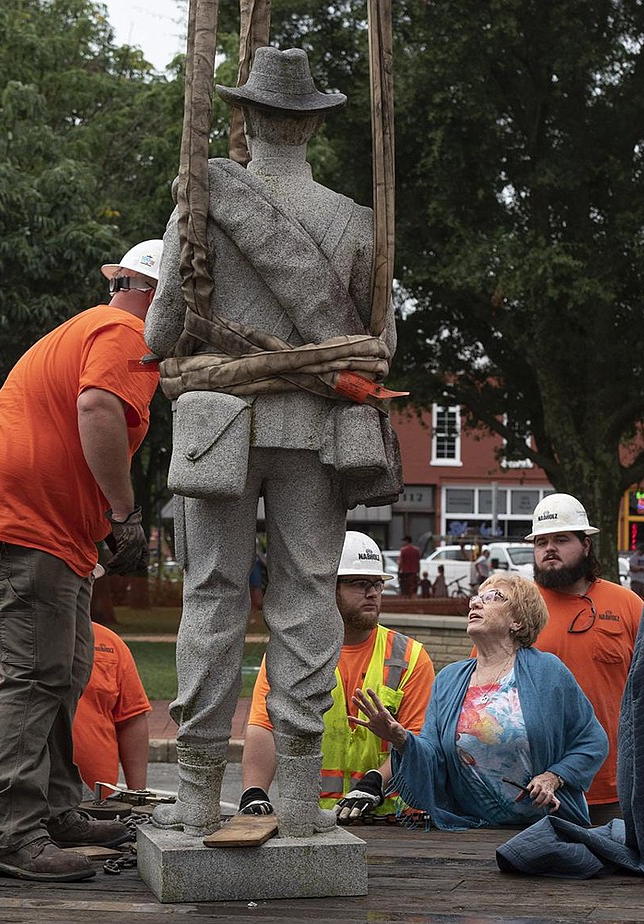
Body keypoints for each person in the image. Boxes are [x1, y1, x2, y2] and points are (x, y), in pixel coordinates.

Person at [145, 47, 399, 838]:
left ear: (247, 119)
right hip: (317, 434)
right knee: (306, 598)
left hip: (217, 427)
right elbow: (379, 348)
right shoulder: (357, 223)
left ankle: (195, 797)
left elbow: (159, 331)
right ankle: (295, 800)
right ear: (313, 126)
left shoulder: (201, 208)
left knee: (211, 597)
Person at [0, 238, 162, 881]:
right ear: (157, 295)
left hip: (45, 525)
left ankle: (54, 810)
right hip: (30, 522)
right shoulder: (126, 331)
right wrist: (123, 510)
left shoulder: (90, 327)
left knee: (66, 668)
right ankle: (11, 836)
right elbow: (97, 406)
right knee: (34, 675)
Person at [352, 573, 607, 830]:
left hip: (545, 828)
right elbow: (434, 757)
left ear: (518, 621)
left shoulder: (547, 671)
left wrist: (554, 777)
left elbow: (592, 740)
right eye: (475, 597)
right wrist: (402, 740)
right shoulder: (449, 679)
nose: (475, 603)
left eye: (493, 597)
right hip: (473, 830)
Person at [239, 531, 434, 823]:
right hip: (313, 817)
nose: (372, 593)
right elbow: (264, 727)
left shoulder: (410, 657)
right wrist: (254, 792)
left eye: (377, 584)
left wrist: (375, 781)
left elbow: (418, 739)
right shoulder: (291, 654)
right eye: (360, 584)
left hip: (391, 821)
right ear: (329, 588)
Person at [527, 493, 642, 826]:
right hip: (535, 791)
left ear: (586, 545)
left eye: (562, 539)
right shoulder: (516, 608)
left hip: (616, 787)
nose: (549, 548)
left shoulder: (628, 605)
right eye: (541, 542)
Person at [0, 620, 151, 793]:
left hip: (99, 804)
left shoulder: (109, 641)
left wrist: (136, 793)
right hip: (23, 800)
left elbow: (131, 719)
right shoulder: (2, 632)